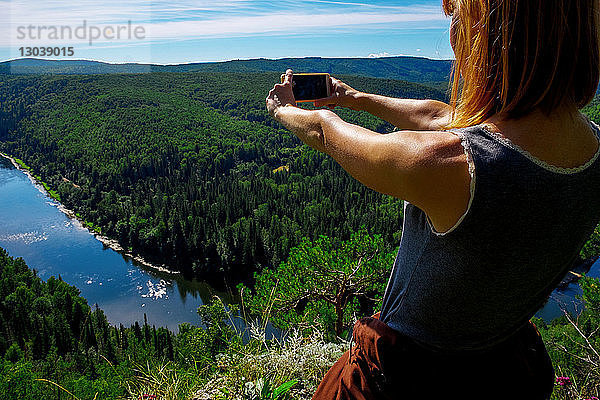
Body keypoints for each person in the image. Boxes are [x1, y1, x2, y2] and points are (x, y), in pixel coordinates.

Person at [266, 0, 600, 398]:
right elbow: (442, 115)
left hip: (409, 375)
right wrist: (355, 97)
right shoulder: (593, 146)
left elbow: (324, 132)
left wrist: (282, 109)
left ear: (494, 36)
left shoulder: (455, 166)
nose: (455, 36)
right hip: (506, 366)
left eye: (459, 19)